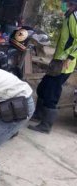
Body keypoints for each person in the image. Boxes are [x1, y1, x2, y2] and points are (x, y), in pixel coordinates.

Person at [29, 0, 77, 134]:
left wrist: (70, 57)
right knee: (43, 88)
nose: (63, 3)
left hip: (64, 63)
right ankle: (39, 114)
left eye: (66, 1)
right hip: (58, 59)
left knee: (51, 92)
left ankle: (46, 125)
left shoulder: (74, 17)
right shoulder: (69, 14)